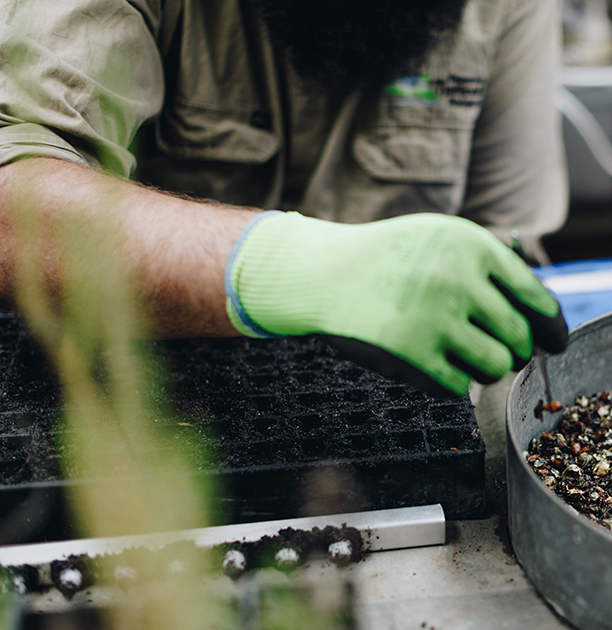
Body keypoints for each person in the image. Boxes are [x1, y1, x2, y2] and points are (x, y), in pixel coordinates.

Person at [0, 0, 569, 397]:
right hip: (136, 399)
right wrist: (293, 269)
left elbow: (506, 235)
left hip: (379, 413)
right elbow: (16, 199)